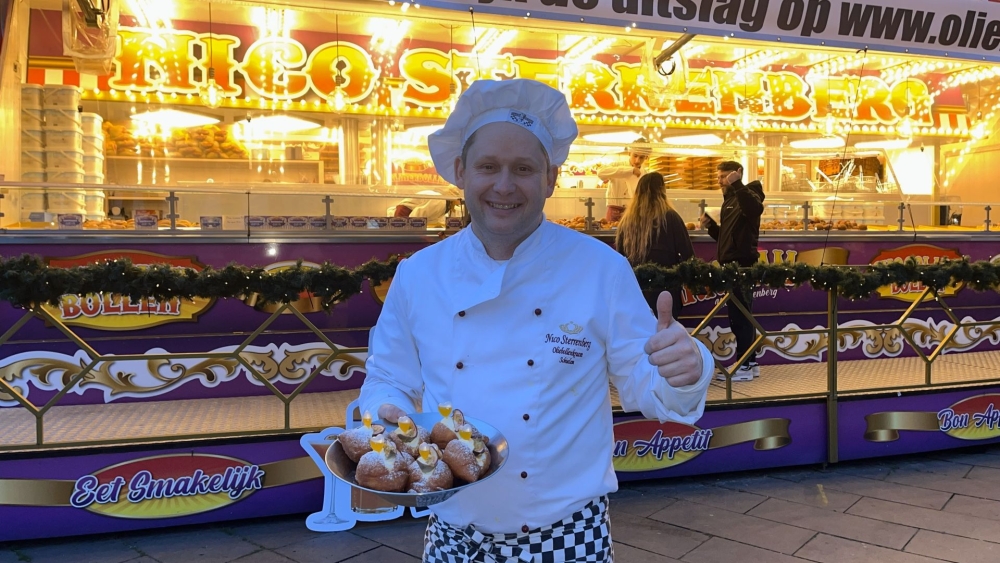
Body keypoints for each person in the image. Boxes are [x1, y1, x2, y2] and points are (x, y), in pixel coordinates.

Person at [359, 78, 713, 563]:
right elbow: (388, 376)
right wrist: (388, 414)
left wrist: (686, 370)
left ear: (550, 178)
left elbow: (646, 386)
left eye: (523, 169)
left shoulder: (600, 269)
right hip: (453, 537)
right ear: (461, 171)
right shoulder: (419, 274)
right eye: (488, 166)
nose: (504, 186)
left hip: (567, 536)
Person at [699, 161, 765, 382]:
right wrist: (711, 227)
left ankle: (744, 366)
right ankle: (750, 362)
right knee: (741, 316)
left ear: (738, 174)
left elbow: (755, 209)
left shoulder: (749, 195)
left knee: (741, 317)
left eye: (725, 176)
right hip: (732, 266)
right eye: (718, 176)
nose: (721, 180)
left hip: (742, 267)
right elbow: (728, 239)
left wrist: (737, 185)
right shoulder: (730, 201)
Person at [615, 172, 694, 320]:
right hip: (666, 288)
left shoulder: (626, 221)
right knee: (665, 328)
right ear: (662, 190)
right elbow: (688, 254)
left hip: (636, 290)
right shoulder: (670, 217)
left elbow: (619, 257)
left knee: (639, 329)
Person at [598, 137, 651, 222]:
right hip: (613, 211)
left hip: (632, 213)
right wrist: (630, 171)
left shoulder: (645, 174)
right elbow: (600, 173)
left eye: (641, 157)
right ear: (629, 153)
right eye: (635, 156)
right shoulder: (616, 165)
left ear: (646, 157)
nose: (637, 161)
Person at [388, 190, 454, 223]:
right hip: (402, 216)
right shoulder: (441, 201)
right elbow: (417, 217)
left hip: (404, 217)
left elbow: (433, 218)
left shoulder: (441, 200)